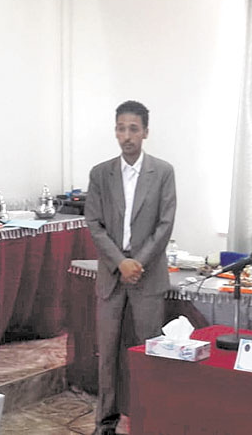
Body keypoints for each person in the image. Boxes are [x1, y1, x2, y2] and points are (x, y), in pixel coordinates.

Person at [85, 100, 176, 435]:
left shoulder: (163, 172)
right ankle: (105, 423)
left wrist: (137, 263)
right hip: (112, 274)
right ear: (115, 132)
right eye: (121, 129)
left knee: (151, 351)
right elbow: (94, 223)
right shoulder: (100, 173)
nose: (127, 136)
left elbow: (165, 225)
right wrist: (120, 261)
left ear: (145, 132)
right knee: (107, 354)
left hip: (147, 275)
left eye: (133, 129)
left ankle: (150, 422)